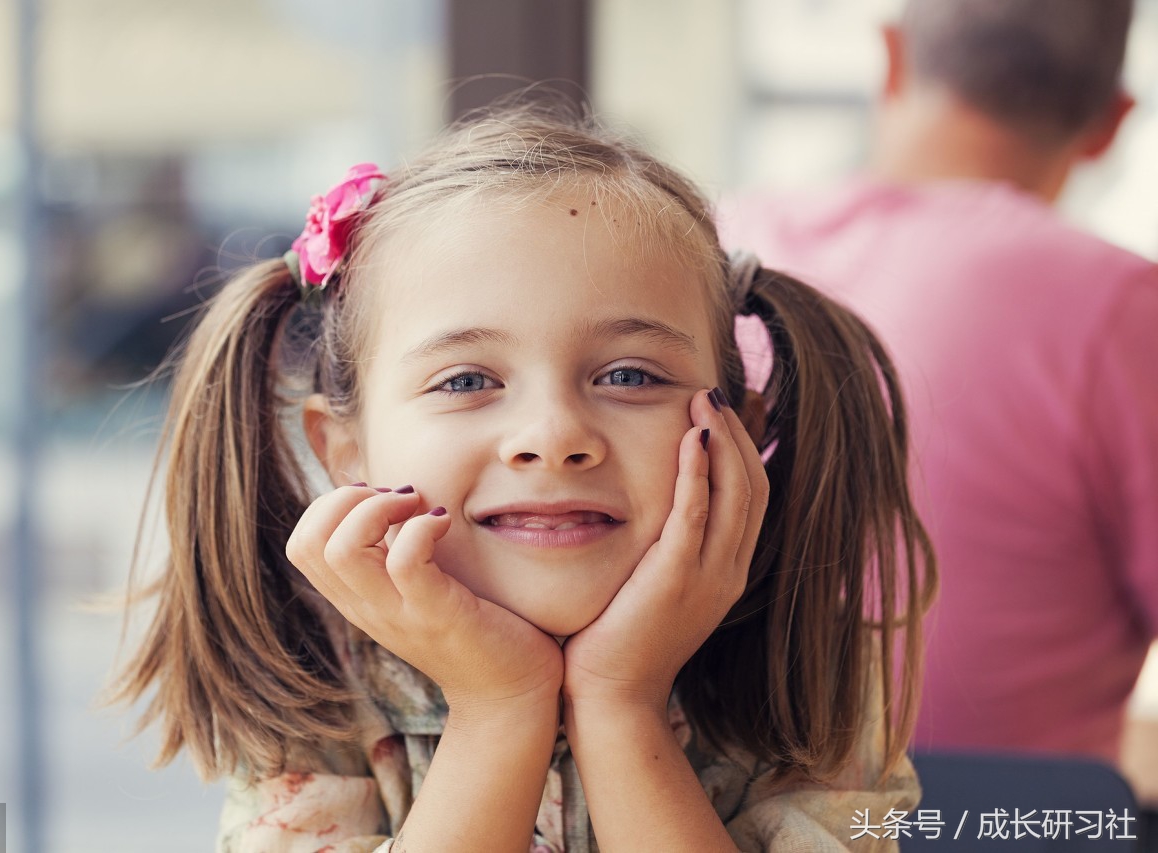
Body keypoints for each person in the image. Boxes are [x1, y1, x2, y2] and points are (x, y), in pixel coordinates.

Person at [111, 105, 936, 851]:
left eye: (629, 376)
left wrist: (621, 702)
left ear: (738, 430)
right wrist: (498, 707)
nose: (553, 438)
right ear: (344, 452)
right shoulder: (312, 689)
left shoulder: (814, 673)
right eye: (467, 381)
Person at [720, 0, 1158, 767]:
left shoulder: (717, 249)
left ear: (891, 59)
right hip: (998, 822)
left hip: (700, 808)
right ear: (1113, 121)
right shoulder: (1123, 310)